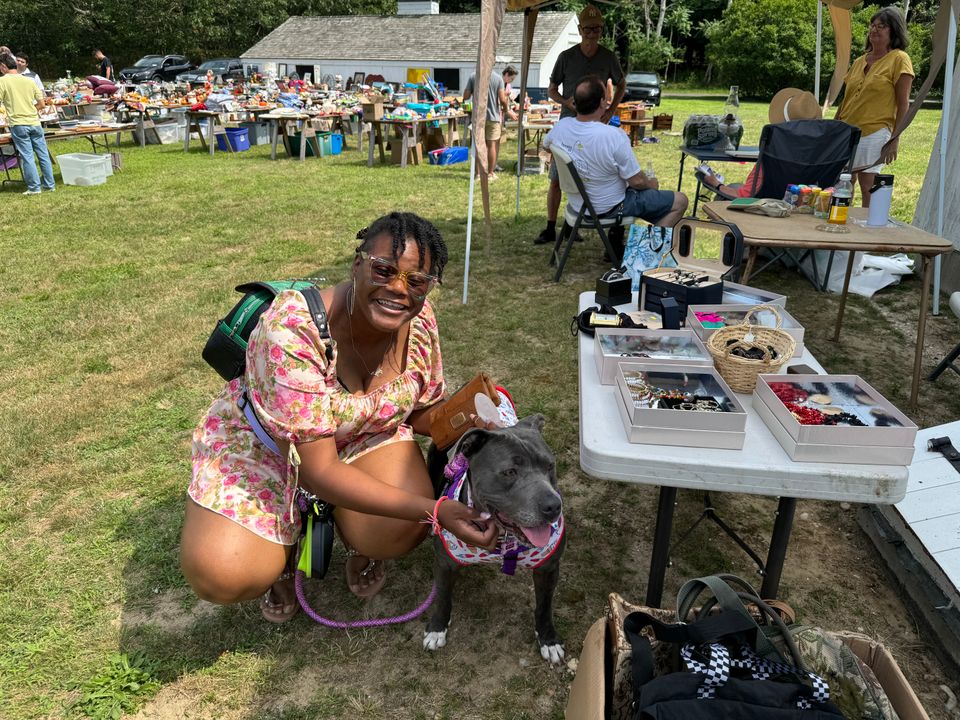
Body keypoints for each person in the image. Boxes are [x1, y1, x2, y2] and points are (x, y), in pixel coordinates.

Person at [181, 212, 498, 623]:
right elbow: (319, 470)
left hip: (362, 435)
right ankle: (281, 560)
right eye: (383, 270)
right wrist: (436, 510)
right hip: (269, 445)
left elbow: (419, 411)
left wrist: (471, 414)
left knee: (398, 529)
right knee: (224, 572)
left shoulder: (419, 324)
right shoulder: (292, 330)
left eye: (416, 281)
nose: (398, 289)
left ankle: (358, 541)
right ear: (357, 263)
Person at [543, 75, 687, 261]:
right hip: (609, 208)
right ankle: (646, 255)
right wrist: (652, 184)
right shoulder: (613, 135)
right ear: (603, 103)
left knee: (635, 191)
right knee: (680, 201)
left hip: (578, 204)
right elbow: (636, 181)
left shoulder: (562, 126)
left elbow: (547, 146)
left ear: (574, 102)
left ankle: (633, 246)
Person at [535, 5, 626, 246]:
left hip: (596, 123)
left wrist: (611, 110)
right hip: (568, 122)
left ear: (602, 30)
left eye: (597, 28)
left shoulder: (608, 56)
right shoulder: (566, 57)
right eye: (588, 28)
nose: (592, 33)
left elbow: (621, 84)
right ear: (580, 29)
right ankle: (551, 227)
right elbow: (552, 90)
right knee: (558, 176)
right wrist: (567, 102)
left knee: (595, 174)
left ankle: (581, 222)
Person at [834, 6, 913, 207]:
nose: (874, 30)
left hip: (875, 130)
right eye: (872, 25)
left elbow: (903, 104)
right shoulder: (860, 60)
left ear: (893, 31)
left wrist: (895, 139)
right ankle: (844, 226)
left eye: (882, 26)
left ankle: (870, 230)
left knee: (867, 183)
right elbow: (846, 98)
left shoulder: (899, 59)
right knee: (842, 182)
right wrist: (834, 128)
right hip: (847, 131)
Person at [695, 88, 823, 199]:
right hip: (802, 206)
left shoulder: (774, 151)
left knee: (730, 189)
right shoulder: (823, 151)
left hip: (763, 208)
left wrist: (717, 184)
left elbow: (745, 196)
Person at [0, 52, 55, 195]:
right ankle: (50, 185)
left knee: (27, 156)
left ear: (3, 67)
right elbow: (42, 104)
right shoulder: (30, 80)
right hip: (35, 122)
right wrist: (31, 110)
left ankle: (34, 188)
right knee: (42, 154)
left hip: (18, 124)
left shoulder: (3, 81)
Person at [463, 67, 517, 181]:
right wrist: (506, 109)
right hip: (493, 117)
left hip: (478, 118)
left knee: (479, 146)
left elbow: (466, 96)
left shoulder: (473, 76)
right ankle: (490, 174)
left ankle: (478, 174)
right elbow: (502, 100)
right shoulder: (498, 79)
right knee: (492, 146)